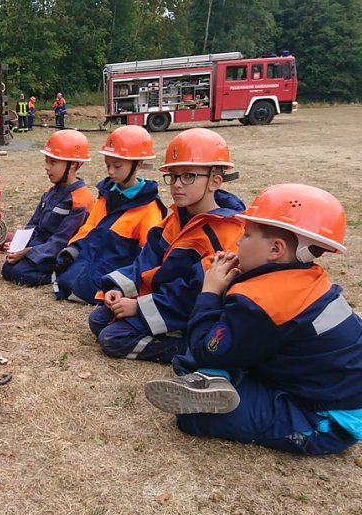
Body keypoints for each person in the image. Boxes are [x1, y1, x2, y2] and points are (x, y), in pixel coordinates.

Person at [144, 184, 362, 455]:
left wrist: (210, 291)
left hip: (324, 419)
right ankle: (216, 379)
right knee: (201, 358)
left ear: (275, 250)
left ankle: (214, 379)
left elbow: (206, 347)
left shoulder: (264, 303)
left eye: (246, 235)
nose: (239, 242)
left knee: (193, 415)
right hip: (324, 390)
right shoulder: (301, 278)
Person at [88, 128, 245, 363]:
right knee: (98, 319)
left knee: (113, 338)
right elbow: (146, 261)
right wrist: (119, 290)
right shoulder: (176, 218)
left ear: (215, 181)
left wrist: (138, 307)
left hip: (190, 312)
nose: (177, 185)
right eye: (173, 176)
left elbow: (190, 292)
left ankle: (188, 347)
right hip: (163, 302)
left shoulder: (226, 233)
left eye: (188, 176)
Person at [53, 126, 166, 304]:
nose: (111, 171)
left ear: (138, 164)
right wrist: (72, 250)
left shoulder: (149, 207)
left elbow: (148, 256)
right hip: (87, 265)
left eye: (117, 166)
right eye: (108, 165)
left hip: (110, 276)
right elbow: (89, 227)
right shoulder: (106, 194)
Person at [2, 129, 94, 286]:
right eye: (47, 161)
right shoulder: (50, 192)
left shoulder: (81, 199)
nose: (47, 167)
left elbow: (61, 240)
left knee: (20, 273)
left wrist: (27, 252)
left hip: (59, 253)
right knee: (7, 269)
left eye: (53, 162)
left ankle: (59, 276)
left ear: (72, 164)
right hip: (41, 246)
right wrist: (19, 244)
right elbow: (34, 224)